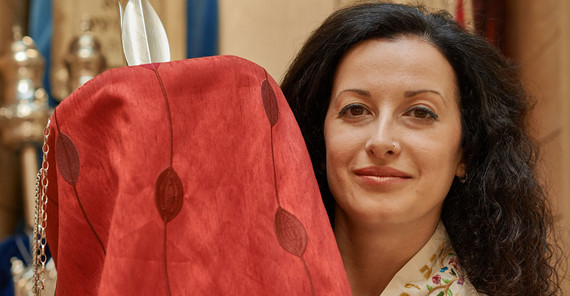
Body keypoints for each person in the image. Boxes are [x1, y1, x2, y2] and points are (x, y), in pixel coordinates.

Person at [281, 2, 562, 296]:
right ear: (318, 137)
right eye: (355, 110)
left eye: (420, 113)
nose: (380, 141)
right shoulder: (249, 278)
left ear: (465, 151)